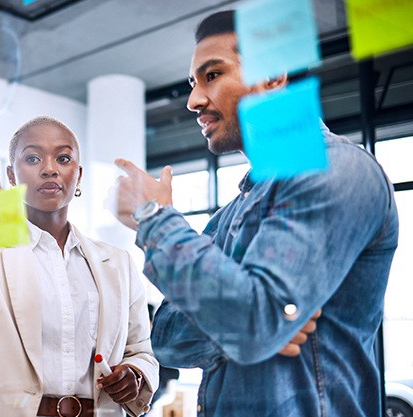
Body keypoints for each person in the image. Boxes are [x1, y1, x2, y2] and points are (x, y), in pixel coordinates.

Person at [112, 10, 398, 417]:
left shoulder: (336, 169)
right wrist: (248, 323)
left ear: (272, 76)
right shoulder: (229, 215)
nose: (194, 100)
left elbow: (253, 323)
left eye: (212, 75)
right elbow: (167, 339)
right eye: (193, 83)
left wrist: (154, 216)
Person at [0, 116, 159, 417]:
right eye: (32, 158)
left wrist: (134, 374)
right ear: (12, 175)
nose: (49, 168)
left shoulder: (118, 263)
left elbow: (141, 350)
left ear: (78, 175)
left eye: (63, 158)